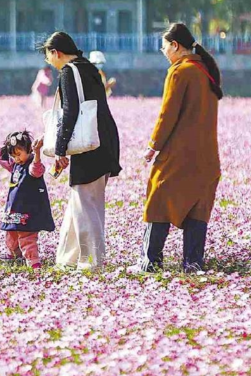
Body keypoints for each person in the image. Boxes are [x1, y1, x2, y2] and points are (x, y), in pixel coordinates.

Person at [136, 22, 223, 273]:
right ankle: (193, 264)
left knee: (158, 201)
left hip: (179, 156)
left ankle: (150, 262)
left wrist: (153, 146)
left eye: (164, 47)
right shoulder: (206, 71)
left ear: (175, 46)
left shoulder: (180, 72)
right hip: (207, 159)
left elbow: (167, 114)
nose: (163, 52)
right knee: (197, 209)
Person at [43, 32, 122, 270]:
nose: (49, 62)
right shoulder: (88, 67)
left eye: (48, 56)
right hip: (104, 141)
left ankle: (92, 262)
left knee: (86, 206)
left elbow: (70, 113)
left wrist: (60, 150)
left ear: (55, 52)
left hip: (90, 146)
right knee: (81, 203)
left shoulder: (69, 71)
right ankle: (67, 259)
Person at [0, 130, 55, 270]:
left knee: (27, 237)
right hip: (14, 209)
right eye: (13, 156)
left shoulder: (32, 165)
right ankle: (14, 255)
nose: (17, 159)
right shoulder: (16, 165)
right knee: (11, 233)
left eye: (19, 154)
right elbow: (2, 160)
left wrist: (37, 152)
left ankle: (33, 261)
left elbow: (36, 170)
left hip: (28, 211)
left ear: (28, 150)